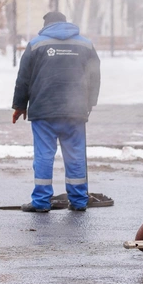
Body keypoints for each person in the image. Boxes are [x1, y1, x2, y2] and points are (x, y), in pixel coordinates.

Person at [12, 11, 101, 213]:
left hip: (43, 111)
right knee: (76, 156)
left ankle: (41, 202)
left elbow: (23, 78)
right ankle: (79, 201)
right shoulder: (85, 44)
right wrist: (89, 103)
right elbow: (95, 75)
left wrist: (19, 106)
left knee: (44, 156)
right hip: (75, 111)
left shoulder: (36, 44)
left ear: (46, 25)